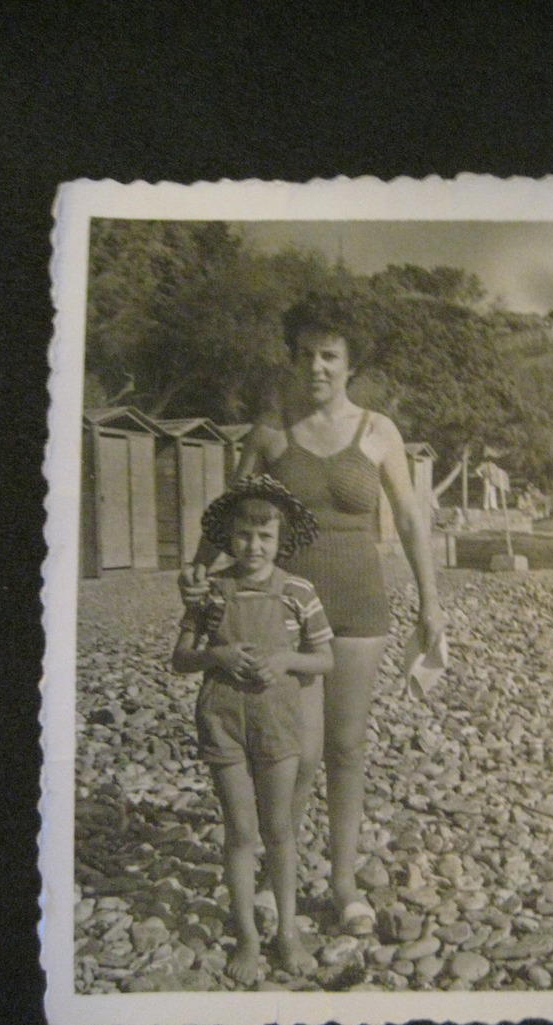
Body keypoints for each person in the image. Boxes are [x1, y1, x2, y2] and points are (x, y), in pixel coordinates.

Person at [182, 294, 444, 935]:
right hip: (285, 612)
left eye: (330, 356)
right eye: (306, 355)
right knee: (292, 752)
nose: (318, 367)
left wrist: (431, 605)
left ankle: (345, 883)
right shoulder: (271, 434)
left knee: (347, 749)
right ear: (293, 359)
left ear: (349, 365)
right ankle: (279, 879)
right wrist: (196, 567)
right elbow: (234, 511)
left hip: (358, 604)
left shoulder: (380, 431)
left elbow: (410, 518)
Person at [172, 475, 334, 985]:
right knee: (240, 833)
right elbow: (180, 658)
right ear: (228, 536)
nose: (254, 547)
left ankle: (288, 931)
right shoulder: (211, 591)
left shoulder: (297, 591)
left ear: (280, 540)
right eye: (243, 536)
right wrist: (214, 655)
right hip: (222, 719)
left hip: (278, 722)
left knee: (279, 829)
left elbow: (325, 658)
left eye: (265, 537)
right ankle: (245, 934)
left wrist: (286, 658)